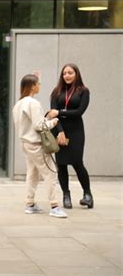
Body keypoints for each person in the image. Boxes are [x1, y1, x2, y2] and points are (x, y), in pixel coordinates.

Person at [12, 74, 67, 218]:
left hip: (25, 143)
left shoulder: (18, 104)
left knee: (33, 173)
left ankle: (30, 203)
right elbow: (39, 126)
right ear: (33, 86)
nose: (40, 86)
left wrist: (45, 120)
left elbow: (31, 123)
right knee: (50, 172)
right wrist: (53, 122)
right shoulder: (33, 103)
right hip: (36, 144)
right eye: (38, 84)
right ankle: (54, 206)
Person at [48, 63, 93, 209]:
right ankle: (66, 195)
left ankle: (87, 195)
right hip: (59, 129)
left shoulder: (83, 91)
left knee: (77, 162)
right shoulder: (56, 92)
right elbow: (52, 114)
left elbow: (79, 112)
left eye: (70, 73)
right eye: (64, 73)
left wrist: (60, 112)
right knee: (61, 164)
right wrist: (60, 131)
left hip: (76, 130)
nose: (67, 75)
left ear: (76, 74)